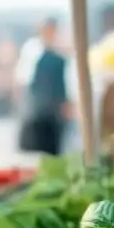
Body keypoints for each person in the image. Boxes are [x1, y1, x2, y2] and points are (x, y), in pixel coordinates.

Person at [19, 18, 69, 155]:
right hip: (37, 111)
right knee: (35, 151)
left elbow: (63, 84)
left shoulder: (60, 53)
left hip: (54, 113)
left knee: (52, 152)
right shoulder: (32, 51)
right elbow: (24, 81)